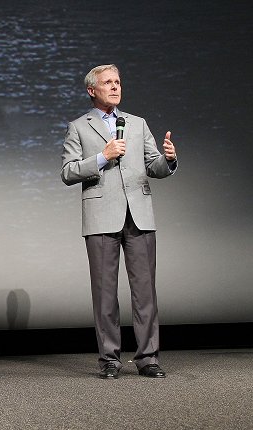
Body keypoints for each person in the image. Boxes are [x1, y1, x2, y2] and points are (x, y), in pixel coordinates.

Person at [60, 64, 177, 379]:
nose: (114, 87)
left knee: (145, 291)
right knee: (105, 293)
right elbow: (68, 172)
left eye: (118, 82)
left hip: (138, 215)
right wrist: (102, 156)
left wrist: (169, 160)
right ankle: (109, 359)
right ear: (92, 90)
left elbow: (154, 166)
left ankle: (148, 358)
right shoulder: (78, 127)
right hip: (101, 217)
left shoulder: (137, 123)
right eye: (108, 82)